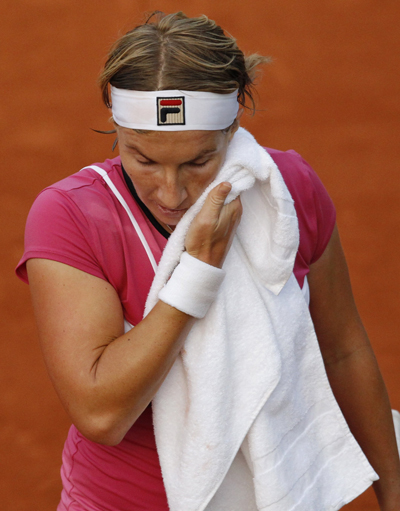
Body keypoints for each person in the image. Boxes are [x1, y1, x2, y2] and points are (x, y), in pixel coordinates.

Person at [16, 11, 400, 511]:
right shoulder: (70, 215)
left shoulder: (286, 190)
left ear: (233, 127)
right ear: (117, 126)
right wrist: (197, 271)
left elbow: (342, 351)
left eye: (198, 161)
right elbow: (102, 414)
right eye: (144, 159)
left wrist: (393, 490)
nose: (171, 193)